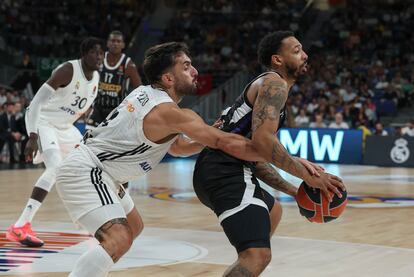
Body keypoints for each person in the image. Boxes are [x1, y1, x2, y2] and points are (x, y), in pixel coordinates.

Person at [53, 42, 263, 277]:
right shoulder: (168, 112)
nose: (194, 71)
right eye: (186, 66)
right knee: (119, 238)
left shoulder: (148, 95)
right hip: (88, 169)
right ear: (168, 79)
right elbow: (223, 142)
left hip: (103, 172)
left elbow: (177, 147)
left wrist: (202, 138)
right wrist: (269, 152)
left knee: (133, 227)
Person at [193, 31, 346, 277]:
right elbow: (264, 143)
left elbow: (256, 156)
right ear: (277, 59)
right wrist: (308, 176)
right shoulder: (275, 84)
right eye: (296, 50)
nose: (305, 55)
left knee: (273, 212)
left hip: (220, 168)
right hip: (222, 170)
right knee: (258, 255)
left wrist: (294, 190)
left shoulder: (271, 87)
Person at [6, 37, 104, 247]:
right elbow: (34, 105)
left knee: (87, 167)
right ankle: (21, 226)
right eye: (95, 52)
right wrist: (33, 136)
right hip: (45, 123)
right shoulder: (67, 71)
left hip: (65, 128)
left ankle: (86, 222)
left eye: (101, 53)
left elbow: (81, 104)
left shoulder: (96, 77)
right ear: (84, 53)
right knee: (55, 169)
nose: (99, 57)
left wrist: (84, 114)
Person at [86, 30, 141, 128]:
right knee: (88, 140)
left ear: (123, 45)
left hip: (117, 111)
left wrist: (132, 108)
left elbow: (139, 89)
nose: (115, 44)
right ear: (107, 43)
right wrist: (87, 106)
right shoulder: (99, 59)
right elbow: (88, 82)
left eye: (118, 41)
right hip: (97, 109)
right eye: (113, 41)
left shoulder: (128, 64)